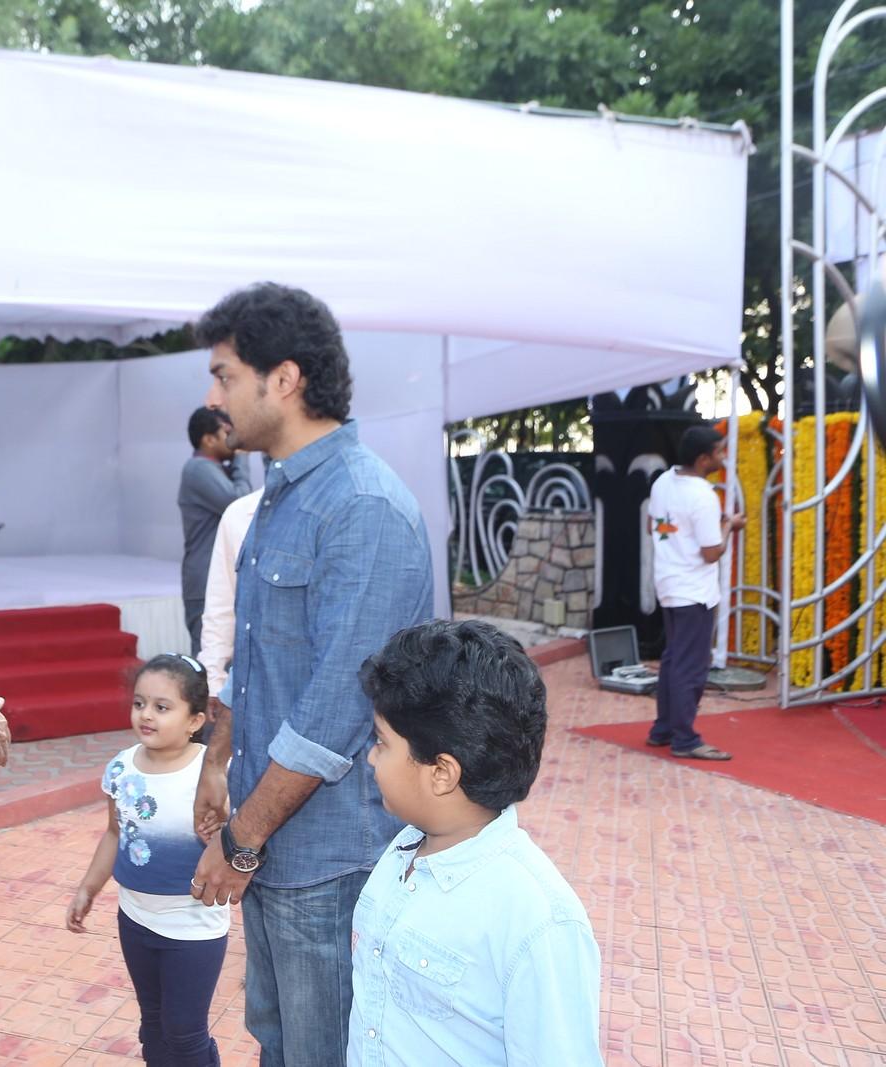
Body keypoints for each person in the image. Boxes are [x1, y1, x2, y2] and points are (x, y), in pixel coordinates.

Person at [187, 283, 434, 1067]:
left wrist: (241, 840)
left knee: (326, 1053)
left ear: (283, 379)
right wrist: (218, 759)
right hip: (275, 847)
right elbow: (260, 665)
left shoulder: (363, 507)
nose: (213, 395)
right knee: (281, 1045)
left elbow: (335, 711)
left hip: (331, 859)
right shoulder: (276, 503)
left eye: (225, 374)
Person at [348, 619, 602, 1066]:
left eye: (382, 743)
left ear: (441, 773)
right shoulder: (404, 849)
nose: (370, 756)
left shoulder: (537, 920)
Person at [67, 653, 229, 1067]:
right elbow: (114, 833)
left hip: (193, 927)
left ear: (195, 720)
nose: (146, 715)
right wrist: (88, 888)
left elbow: (236, 837)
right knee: (152, 1025)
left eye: (162, 707)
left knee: (185, 1033)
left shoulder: (210, 772)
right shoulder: (121, 767)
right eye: (139, 703)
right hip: (135, 919)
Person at [646, 425, 744, 761]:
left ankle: (663, 729)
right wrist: (730, 525)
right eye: (719, 452)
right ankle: (685, 738)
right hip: (694, 591)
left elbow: (654, 526)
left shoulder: (662, 482)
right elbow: (711, 553)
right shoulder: (703, 495)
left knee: (674, 660)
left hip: (669, 584)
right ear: (703, 459)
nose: (722, 457)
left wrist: (680, 533)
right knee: (690, 667)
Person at [179, 406, 252, 656]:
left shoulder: (215, 469)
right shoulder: (198, 468)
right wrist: (242, 458)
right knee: (209, 666)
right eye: (226, 431)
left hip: (212, 580)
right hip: (205, 584)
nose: (233, 438)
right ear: (208, 439)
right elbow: (238, 502)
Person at [197, 488, 262, 695]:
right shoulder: (240, 513)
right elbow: (221, 607)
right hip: (253, 688)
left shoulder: (348, 504)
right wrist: (213, 683)